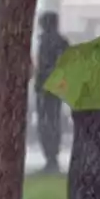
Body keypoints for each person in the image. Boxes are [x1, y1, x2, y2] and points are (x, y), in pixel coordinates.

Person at [34, 12, 70, 173]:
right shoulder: (62, 42)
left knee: (46, 122)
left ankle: (50, 157)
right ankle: (52, 156)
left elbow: (43, 66)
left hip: (46, 87)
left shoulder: (46, 42)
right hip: (57, 86)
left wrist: (40, 83)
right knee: (54, 121)